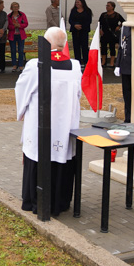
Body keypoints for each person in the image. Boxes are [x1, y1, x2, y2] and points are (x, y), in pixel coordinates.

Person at [15, 27, 82, 216]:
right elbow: (78, 94)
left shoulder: (35, 65)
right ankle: (60, 202)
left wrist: (21, 112)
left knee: (38, 153)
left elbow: (22, 90)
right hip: (65, 127)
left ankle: (34, 201)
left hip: (40, 125)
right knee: (62, 158)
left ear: (45, 43)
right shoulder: (75, 66)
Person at [113, 25, 133, 122]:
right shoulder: (125, 27)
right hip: (125, 65)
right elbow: (121, 47)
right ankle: (128, 117)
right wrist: (118, 64)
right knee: (127, 93)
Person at [98, 1, 125, 68]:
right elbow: (99, 23)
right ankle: (103, 62)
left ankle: (112, 63)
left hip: (112, 34)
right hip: (104, 33)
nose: (107, 7)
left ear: (112, 7)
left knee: (112, 47)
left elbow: (124, 21)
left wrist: (119, 26)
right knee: (103, 48)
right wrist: (100, 30)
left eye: (108, 5)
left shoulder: (117, 15)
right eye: (106, 5)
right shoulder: (103, 15)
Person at [68, 0, 92, 65]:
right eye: (76, 2)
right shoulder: (73, 10)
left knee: (84, 47)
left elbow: (89, 21)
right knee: (76, 47)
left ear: (82, 3)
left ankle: (86, 61)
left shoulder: (87, 11)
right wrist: (75, 25)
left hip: (84, 31)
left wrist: (81, 26)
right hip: (75, 31)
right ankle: (77, 62)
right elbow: (70, 20)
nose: (77, 4)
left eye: (78, 2)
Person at [7, 2, 28, 72]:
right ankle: (14, 65)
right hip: (12, 35)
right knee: (13, 50)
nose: (16, 8)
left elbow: (26, 23)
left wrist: (20, 26)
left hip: (20, 35)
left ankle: (21, 65)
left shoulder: (22, 14)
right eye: (14, 7)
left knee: (21, 50)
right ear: (11, 8)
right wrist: (14, 26)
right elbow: (7, 26)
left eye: (17, 7)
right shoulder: (9, 16)